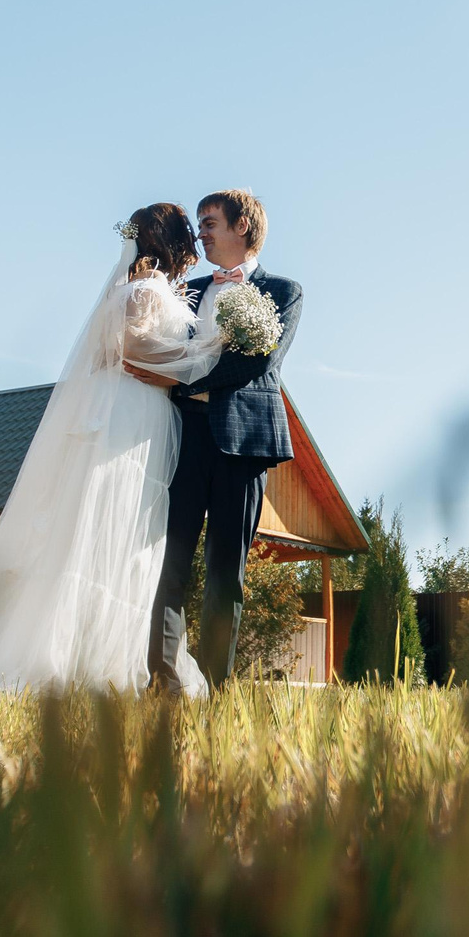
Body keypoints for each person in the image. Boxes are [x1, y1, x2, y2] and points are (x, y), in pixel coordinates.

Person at [0, 204, 223, 694]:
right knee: (108, 524)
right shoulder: (144, 290)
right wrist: (202, 358)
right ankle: (74, 659)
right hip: (129, 411)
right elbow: (129, 345)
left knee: (126, 530)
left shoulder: (146, 288)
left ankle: (105, 651)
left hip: (143, 413)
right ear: (173, 241)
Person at [128, 188, 303, 694]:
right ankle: (164, 681)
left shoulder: (283, 291)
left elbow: (258, 362)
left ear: (241, 226)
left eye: (209, 222)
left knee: (227, 573)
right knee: (169, 562)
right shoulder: (188, 289)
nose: (200, 232)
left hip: (243, 446)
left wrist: (180, 382)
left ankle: (215, 688)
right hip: (183, 438)